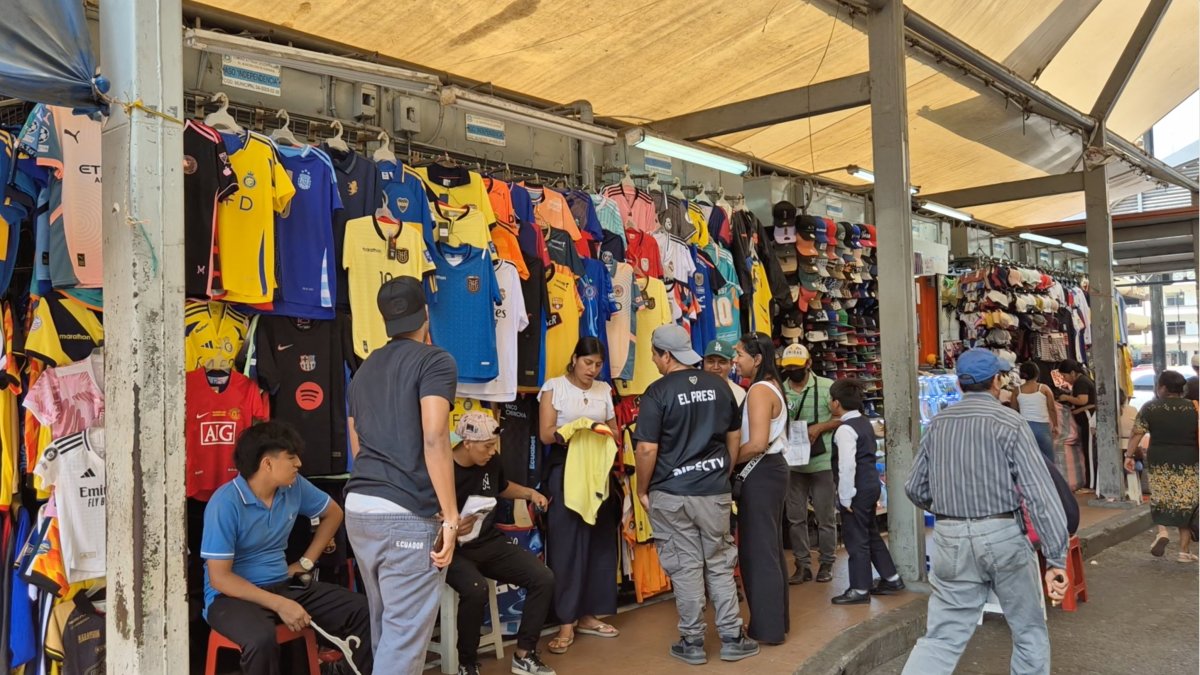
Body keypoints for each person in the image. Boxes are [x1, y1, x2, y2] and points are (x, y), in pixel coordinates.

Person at [903, 349, 1069, 675]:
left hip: (949, 538)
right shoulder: (1010, 422)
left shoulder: (939, 423)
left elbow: (914, 487)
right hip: (1004, 534)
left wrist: (950, 510)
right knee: (1027, 630)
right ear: (996, 381)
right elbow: (1040, 494)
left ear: (961, 383)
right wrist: (1056, 559)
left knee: (941, 638)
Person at [343, 277, 459, 673]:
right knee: (404, 641)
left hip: (360, 509)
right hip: (405, 513)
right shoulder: (434, 360)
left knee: (387, 629)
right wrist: (452, 515)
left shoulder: (364, 370)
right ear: (425, 313)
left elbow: (357, 443)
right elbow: (435, 434)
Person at [199, 422, 372, 675]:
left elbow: (334, 513)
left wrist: (305, 563)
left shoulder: (294, 486)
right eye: (291, 458)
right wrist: (279, 604)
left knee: (364, 611)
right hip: (230, 598)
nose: (299, 463)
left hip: (282, 585)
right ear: (267, 464)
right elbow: (220, 578)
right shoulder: (225, 503)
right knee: (260, 640)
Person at [633, 324, 758, 665]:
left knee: (686, 568)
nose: (655, 362)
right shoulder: (720, 388)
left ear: (665, 355)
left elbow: (646, 450)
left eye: (655, 355)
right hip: (714, 491)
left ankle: (692, 643)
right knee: (719, 563)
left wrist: (642, 489)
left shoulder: (656, 393)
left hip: (671, 493)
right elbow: (734, 438)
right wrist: (722, 474)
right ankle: (732, 638)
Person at [447, 412, 556, 675]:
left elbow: (501, 486)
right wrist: (449, 526)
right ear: (468, 443)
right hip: (454, 549)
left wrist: (530, 492)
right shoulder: (443, 467)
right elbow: (425, 511)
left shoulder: (491, 460)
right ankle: (467, 664)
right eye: (486, 446)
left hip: (487, 540)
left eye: (494, 446)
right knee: (476, 589)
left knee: (543, 577)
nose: (492, 452)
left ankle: (524, 654)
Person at [537, 337, 620, 654]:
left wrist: (598, 431)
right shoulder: (554, 387)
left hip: (597, 470)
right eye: (588, 363)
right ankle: (566, 621)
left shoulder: (604, 391)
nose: (593, 370)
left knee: (598, 541)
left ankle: (589, 614)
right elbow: (545, 433)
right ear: (574, 359)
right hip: (566, 466)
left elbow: (613, 429)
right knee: (567, 542)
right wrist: (578, 428)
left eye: (598, 364)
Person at [730, 333, 789, 644]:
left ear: (757, 359)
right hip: (772, 472)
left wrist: (726, 464)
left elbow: (756, 443)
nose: (734, 360)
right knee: (770, 549)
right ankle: (776, 621)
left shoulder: (758, 391)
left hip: (760, 474)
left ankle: (766, 629)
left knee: (758, 553)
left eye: (739, 354)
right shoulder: (772, 387)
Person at [827, 379, 903, 605]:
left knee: (856, 538)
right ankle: (892, 577)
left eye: (831, 400)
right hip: (871, 485)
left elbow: (846, 465)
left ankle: (860, 588)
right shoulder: (864, 422)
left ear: (837, 403)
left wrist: (845, 495)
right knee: (870, 533)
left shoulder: (845, 429)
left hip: (856, 488)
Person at [777, 343, 840, 584]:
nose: (793, 370)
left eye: (797, 366)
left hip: (822, 462)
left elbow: (843, 416)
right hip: (793, 464)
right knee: (795, 517)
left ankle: (827, 563)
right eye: (789, 367)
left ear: (808, 364)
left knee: (825, 517)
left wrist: (820, 427)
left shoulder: (826, 387)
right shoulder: (780, 391)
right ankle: (802, 565)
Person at [1124, 370, 1199, 563]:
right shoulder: (1194, 407)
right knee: (1186, 504)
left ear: (1163, 388)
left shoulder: (1150, 407)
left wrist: (1129, 455)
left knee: (1161, 497)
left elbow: (1136, 433)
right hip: (1188, 460)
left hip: (1160, 459)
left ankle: (1162, 532)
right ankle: (1183, 551)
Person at [1055, 359, 1096, 489]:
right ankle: (1090, 482)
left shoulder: (1081, 381)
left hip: (1088, 420)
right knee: (1087, 450)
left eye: (1065, 376)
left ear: (1073, 373)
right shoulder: (1082, 380)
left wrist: (1066, 398)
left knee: (1089, 452)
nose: (1064, 379)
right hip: (1085, 420)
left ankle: (1091, 484)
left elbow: (1082, 400)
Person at [1012, 362, 1059, 465]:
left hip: (1025, 428)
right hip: (1043, 429)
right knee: (1049, 462)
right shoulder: (1044, 388)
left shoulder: (1017, 391)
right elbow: (1052, 409)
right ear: (1037, 373)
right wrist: (1055, 425)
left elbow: (1014, 411)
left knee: (1029, 461)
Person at [703, 339, 746, 405]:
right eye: (710, 361)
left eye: (722, 362)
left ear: (731, 364)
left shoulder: (739, 393)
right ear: (704, 362)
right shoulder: (693, 391)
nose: (716, 367)